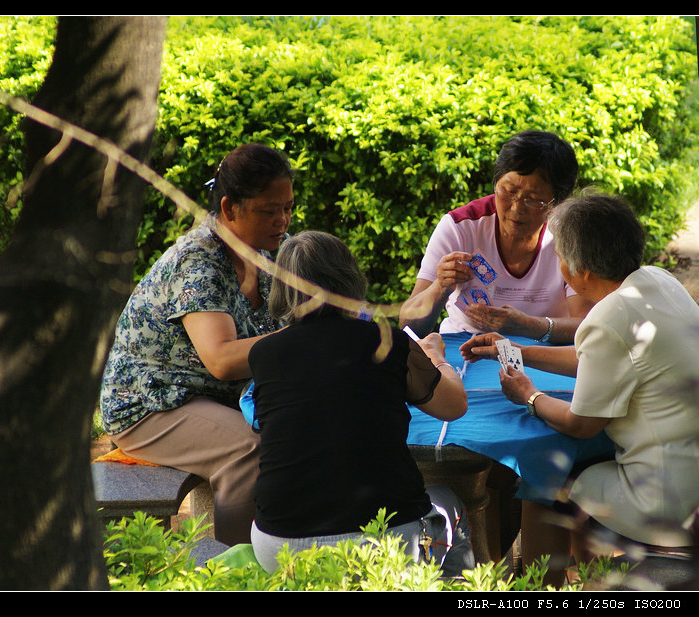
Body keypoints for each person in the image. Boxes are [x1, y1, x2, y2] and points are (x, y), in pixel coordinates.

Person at [461, 192, 699, 586]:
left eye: (559, 258)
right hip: (688, 472)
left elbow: (581, 424)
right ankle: (590, 576)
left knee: (544, 483)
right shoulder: (657, 281)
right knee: (575, 469)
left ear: (581, 269)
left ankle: (544, 588)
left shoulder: (608, 317)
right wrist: (517, 351)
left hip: (666, 499)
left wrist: (530, 397)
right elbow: (600, 359)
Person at [99, 143, 294, 545]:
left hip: (207, 397)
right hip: (149, 403)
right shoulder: (199, 260)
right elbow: (221, 359)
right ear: (228, 209)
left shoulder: (269, 252)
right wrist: (305, 340)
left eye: (288, 207)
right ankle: (235, 573)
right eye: (268, 210)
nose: (282, 220)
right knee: (249, 449)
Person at [246, 230, 471, 573]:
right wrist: (436, 356)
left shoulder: (263, 353)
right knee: (451, 502)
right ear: (350, 278)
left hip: (279, 544)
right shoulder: (386, 342)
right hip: (382, 543)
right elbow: (453, 406)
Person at [400, 130, 593, 343]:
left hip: (546, 353)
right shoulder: (461, 227)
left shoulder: (570, 236)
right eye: (508, 191)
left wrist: (527, 326)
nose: (516, 208)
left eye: (534, 199)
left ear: (558, 201)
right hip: (465, 347)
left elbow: (586, 326)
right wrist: (439, 287)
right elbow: (408, 326)